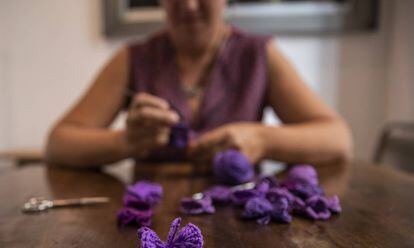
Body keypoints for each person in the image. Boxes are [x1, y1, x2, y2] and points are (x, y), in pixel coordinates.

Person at [46, 0, 352, 169]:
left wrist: (262, 140)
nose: (190, 5)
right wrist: (127, 141)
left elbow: (337, 139)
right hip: (149, 227)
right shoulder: (133, 59)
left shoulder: (258, 56)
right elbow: (59, 143)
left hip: (242, 227)